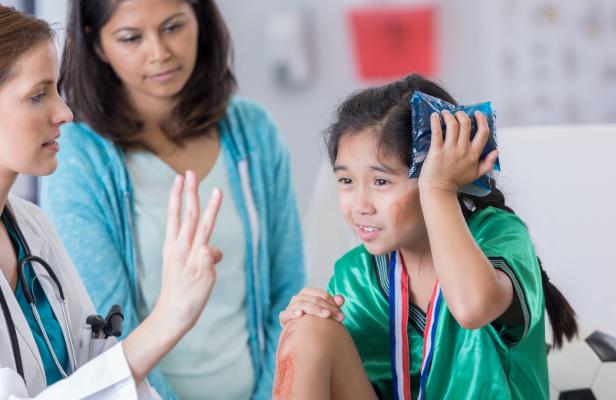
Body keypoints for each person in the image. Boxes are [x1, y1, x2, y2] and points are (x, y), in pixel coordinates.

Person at [39, 0, 304, 398]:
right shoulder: (78, 155)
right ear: (96, 44)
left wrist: (271, 393)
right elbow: (105, 329)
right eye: (131, 38)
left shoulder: (254, 133)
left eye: (173, 27)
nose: (160, 52)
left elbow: (288, 291)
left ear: (200, 18)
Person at [274, 75, 578, 399]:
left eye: (380, 182)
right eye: (346, 180)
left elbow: (472, 307)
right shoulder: (355, 277)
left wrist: (439, 189)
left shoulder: (499, 236)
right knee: (308, 327)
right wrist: (302, 321)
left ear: (439, 171)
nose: (359, 205)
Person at [0, 5, 224, 398]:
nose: (64, 112)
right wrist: (168, 318)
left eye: (56, 89)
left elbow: (96, 362)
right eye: (37, 95)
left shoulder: (33, 227)